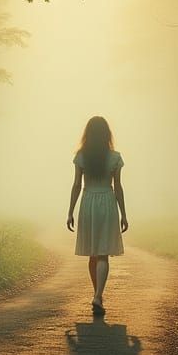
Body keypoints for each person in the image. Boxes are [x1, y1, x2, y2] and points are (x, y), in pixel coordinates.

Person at [66, 115, 128, 316]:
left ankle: (97, 294)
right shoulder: (114, 157)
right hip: (108, 202)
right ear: (106, 134)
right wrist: (124, 214)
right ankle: (98, 295)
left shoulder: (81, 156)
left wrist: (70, 212)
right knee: (103, 253)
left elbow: (77, 185)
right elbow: (118, 187)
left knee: (93, 253)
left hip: (88, 202)